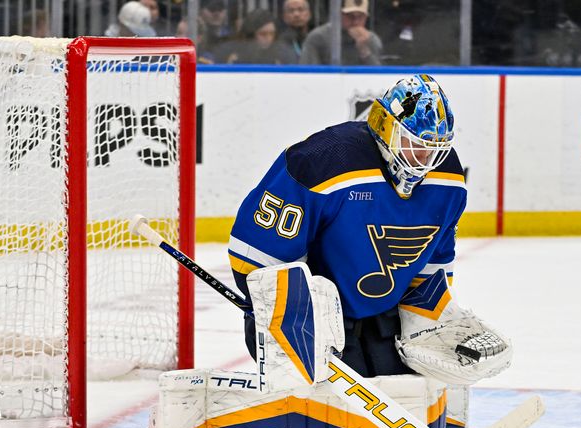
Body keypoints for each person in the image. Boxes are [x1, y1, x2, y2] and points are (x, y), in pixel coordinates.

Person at [228, 75, 510, 381]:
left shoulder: (447, 177)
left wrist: (432, 315)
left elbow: (434, 262)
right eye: (415, 144)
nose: (425, 159)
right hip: (309, 320)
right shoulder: (324, 161)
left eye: (434, 149)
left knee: (412, 404)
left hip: (384, 321)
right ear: (386, 127)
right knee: (331, 420)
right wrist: (293, 316)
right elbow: (256, 254)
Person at [299, 0, 383, 65]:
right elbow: (308, 70)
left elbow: (379, 76)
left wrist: (364, 50)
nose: (355, 22)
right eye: (351, 16)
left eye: (360, 17)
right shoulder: (319, 37)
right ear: (340, 15)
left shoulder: (372, 40)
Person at [214, 9, 297, 64]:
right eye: (263, 34)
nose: (269, 39)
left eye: (272, 34)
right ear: (250, 34)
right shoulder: (228, 51)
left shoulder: (283, 52)